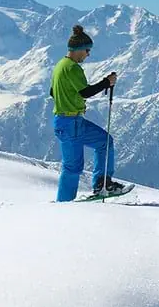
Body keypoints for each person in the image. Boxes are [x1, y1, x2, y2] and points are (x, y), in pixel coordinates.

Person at [50, 25, 127, 201]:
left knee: (103, 143)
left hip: (65, 121)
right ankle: (70, 201)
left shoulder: (59, 66)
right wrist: (106, 82)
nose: (88, 54)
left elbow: (52, 92)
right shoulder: (73, 68)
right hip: (72, 123)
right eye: (87, 50)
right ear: (78, 50)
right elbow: (85, 92)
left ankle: (97, 186)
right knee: (74, 165)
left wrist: (66, 100)